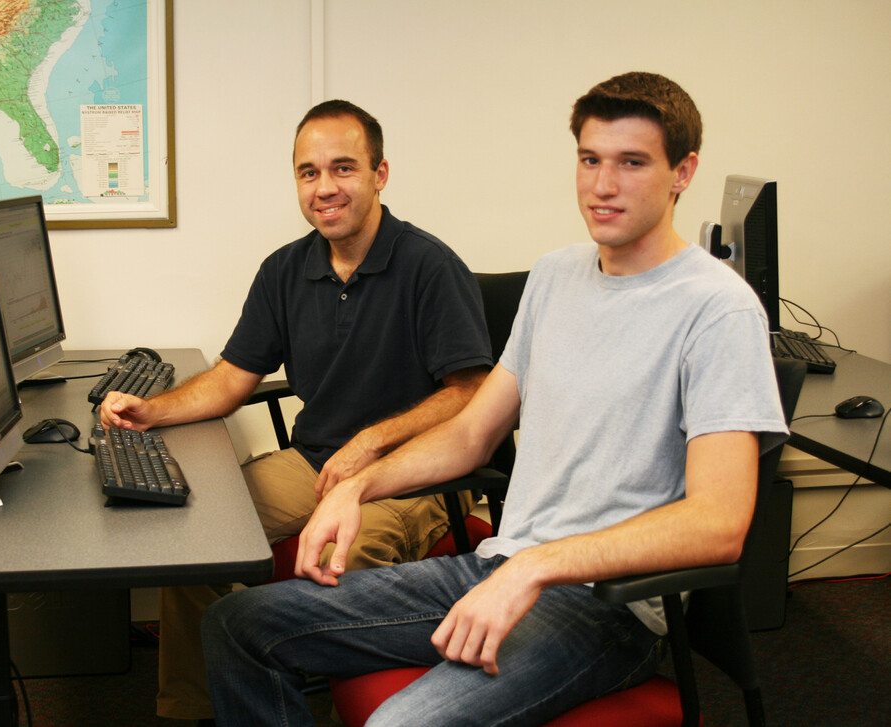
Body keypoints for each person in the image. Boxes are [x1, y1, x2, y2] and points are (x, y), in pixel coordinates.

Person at [200, 72, 791, 726]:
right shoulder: (556, 276)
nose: (602, 184)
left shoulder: (718, 309)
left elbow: (719, 523)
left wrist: (537, 566)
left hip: (603, 608)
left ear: (683, 171)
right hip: (498, 568)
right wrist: (356, 486)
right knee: (240, 623)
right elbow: (470, 433)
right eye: (590, 159)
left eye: (632, 163)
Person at [100, 99, 492, 724]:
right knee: (190, 537)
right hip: (312, 464)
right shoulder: (286, 269)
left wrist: (370, 443)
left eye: (343, 168)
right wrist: (153, 411)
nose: (325, 187)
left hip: (413, 478)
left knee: (347, 561)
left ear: (380, 174)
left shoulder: (429, 266)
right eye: (309, 172)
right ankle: (192, 710)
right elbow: (232, 378)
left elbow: (472, 391)